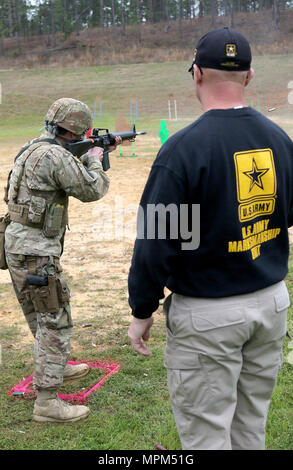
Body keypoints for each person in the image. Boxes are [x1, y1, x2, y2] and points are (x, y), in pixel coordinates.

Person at [127, 28, 293, 449]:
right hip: (271, 302)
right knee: (250, 426)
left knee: (207, 436)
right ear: (250, 77)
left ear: (197, 74)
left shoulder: (183, 150)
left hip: (209, 315)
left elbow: (156, 241)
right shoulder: (279, 140)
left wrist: (142, 309)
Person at [5, 97, 120, 423]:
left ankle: (57, 367)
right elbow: (92, 189)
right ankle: (47, 402)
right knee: (55, 320)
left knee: (41, 316)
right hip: (37, 253)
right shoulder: (56, 156)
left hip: (16, 247)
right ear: (76, 130)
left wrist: (88, 152)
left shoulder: (32, 147)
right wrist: (96, 158)